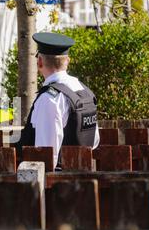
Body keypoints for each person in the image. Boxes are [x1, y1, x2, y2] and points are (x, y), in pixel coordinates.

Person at [18, 32, 100, 169]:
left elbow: (45, 153)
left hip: (58, 182)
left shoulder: (50, 99)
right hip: (84, 175)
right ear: (67, 61)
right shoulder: (84, 91)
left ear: (39, 62)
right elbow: (94, 140)